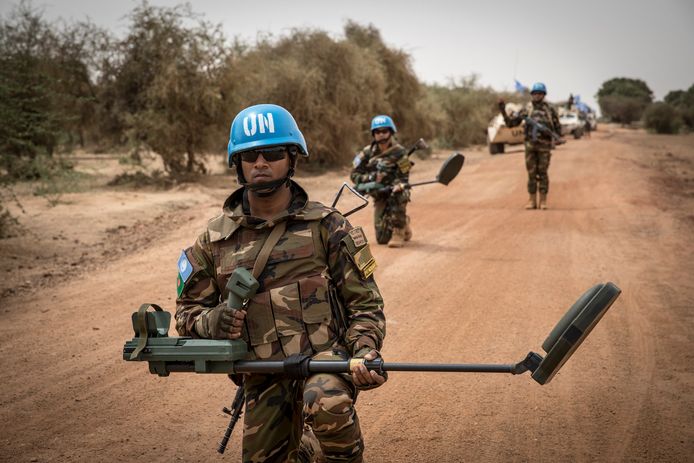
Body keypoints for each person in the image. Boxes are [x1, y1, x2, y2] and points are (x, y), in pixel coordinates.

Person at [175, 104, 387, 463]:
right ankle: (308, 447)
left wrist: (364, 350)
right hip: (263, 373)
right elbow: (186, 314)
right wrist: (214, 322)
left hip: (327, 363)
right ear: (237, 163)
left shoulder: (328, 226)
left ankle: (329, 445)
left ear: (291, 158)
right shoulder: (213, 239)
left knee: (327, 402)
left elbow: (365, 305)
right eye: (249, 155)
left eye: (272, 152)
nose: (260, 162)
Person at [499, 82, 564, 210]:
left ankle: (543, 201)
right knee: (531, 173)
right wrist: (502, 109)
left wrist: (556, 138)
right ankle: (532, 200)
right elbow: (511, 124)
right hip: (530, 145)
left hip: (544, 146)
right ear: (532, 94)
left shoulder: (550, 110)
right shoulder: (527, 109)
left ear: (544, 95)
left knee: (543, 173)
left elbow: (557, 128)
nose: (537, 96)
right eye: (535, 93)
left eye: (540, 93)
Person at [350, 115, 412, 247]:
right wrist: (371, 178)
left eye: (385, 131)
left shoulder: (400, 152)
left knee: (401, 194)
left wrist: (399, 185)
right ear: (373, 134)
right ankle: (404, 222)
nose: (381, 135)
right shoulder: (367, 153)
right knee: (382, 239)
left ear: (391, 132)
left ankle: (398, 231)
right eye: (377, 132)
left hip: (395, 190)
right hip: (378, 192)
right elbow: (354, 175)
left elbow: (404, 176)